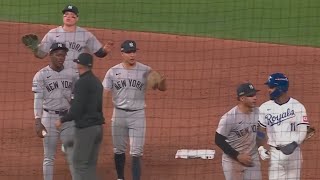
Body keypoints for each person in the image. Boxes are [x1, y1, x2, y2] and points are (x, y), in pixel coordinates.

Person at [102, 40, 167, 180]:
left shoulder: (145, 70)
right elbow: (104, 92)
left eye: (134, 52)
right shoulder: (113, 71)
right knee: (118, 150)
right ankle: (120, 178)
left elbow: (162, 88)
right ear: (122, 53)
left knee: (136, 152)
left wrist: (162, 81)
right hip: (118, 114)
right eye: (129, 52)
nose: (132, 55)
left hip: (137, 115)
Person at [32, 42, 78, 180]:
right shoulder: (41, 75)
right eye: (58, 54)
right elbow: (38, 99)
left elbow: (76, 94)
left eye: (63, 55)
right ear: (50, 55)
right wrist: (37, 121)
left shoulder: (72, 73)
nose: (61, 57)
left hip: (67, 118)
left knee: (72, 155)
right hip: (49, 118)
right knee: (49, 157)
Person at [55, 53, 104, 180]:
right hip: (98, 128)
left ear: (80, 65)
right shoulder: (97, 82)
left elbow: (76, 110)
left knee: (79, 165)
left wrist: (62, 119)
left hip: (86, 129)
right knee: (90, 166)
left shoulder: (81, 83)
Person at [23, 4, 114, 69]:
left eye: (72, 16)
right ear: (63, 17)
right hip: (58, 72)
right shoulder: (53, 33)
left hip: (77, 73)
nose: (68, 17)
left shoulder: (85, 34)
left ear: (77, 18)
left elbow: (99, 53)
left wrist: (105, 50)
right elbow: (41, 55)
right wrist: (35, 49)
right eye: (66, 15)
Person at [257, 73, 309, 180]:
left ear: (280, 88)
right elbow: (260, 131)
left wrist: (294, 144)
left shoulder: (297, 106)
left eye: (271, 87)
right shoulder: (265, 107)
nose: (269, 90)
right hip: (275, 154)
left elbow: (304, 130)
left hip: (294, 154)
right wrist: (260, 148)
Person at [215, 82, 262, 180]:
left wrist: (260, 146)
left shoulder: (258, 112)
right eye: (250, 95)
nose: (255, 98)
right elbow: (218, 140)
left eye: (255, 94)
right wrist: (238, 156)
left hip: (252, 158)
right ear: (242, 98)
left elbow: (262, 131)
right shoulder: (229, 118)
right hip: (233, 160)